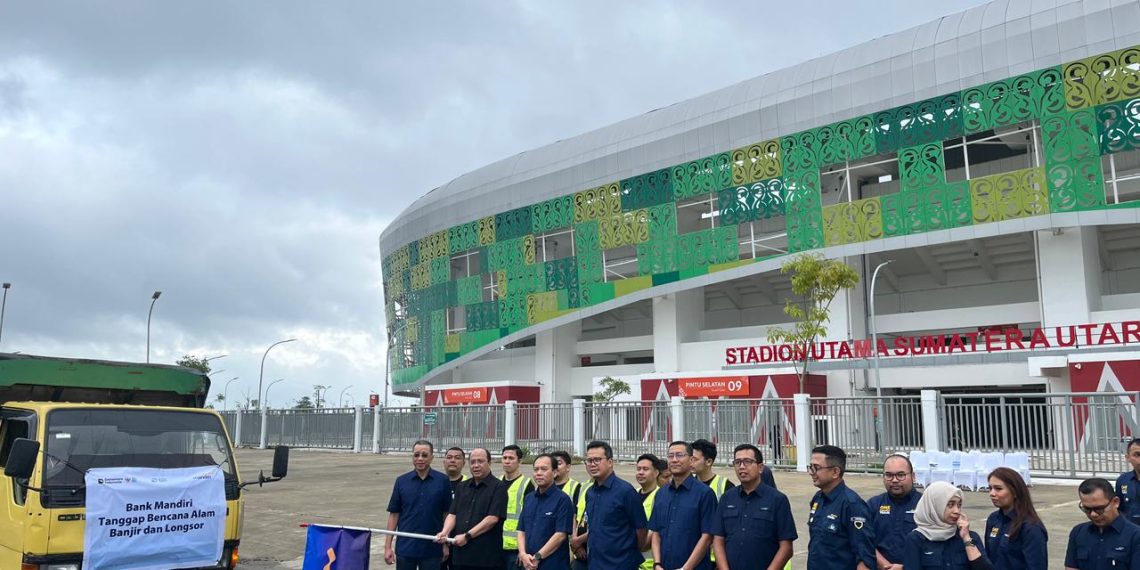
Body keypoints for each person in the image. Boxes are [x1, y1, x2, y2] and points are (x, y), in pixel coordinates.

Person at [712, 444, 796, 570]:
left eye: (747, 462)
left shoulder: (777, 500)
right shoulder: (727, 498)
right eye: (737, 462)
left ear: (760, 467)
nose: (741, 467)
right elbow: (718, 539)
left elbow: (786, 547)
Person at [386, 440, 453, 570]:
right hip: (405, 549)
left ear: (432, 457)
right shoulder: (401, 481)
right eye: (416, 455)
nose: (420, 459)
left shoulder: (443, 481)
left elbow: (447, 514)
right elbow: (394, 515)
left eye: (424, 455)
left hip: (432, 548)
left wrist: (445, 544)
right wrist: (387, 547)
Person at [436, 448, 508, 570]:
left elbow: (492, 518)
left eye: (480, 461)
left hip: (486, 558)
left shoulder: (499, 487)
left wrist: (467, 536)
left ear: (489, 463)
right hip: (460, 556)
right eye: (473, 462)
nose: (476, 465)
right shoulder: (462, 487)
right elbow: (453, 514)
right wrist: (445, 532)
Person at [806, 445, 876, 570]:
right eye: (810, 467)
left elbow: (864, 556)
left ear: (835, 472)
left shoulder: (852, 505)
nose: (811, 472)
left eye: (816, 468)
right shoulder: (818, 499)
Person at [650, 441, 717, 570]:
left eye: (680, 455)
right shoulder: (661, 493)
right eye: (670, 456)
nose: (674, 460)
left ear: (691, 460)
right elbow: (656, 533)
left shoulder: (705, 494)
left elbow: (707, 536)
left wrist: (685, 568)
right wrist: (657, 564)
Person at [582, 440, 648, 570]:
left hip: (621, 564)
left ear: (610, 462)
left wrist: (627, 551)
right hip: (595, 563)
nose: (592, 464)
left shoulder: (625, 491)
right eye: (589, 461)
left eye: (597, 460)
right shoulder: (590, 493)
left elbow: (641, 529)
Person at [901, 481, 991, 569]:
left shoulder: (970, 537)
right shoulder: (916, 539)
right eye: (950, 505)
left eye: (959, 505)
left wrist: (967, 539)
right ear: (934, 506)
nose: (956, 511)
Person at [1065, 477, 1140, 570]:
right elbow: (1071, 567)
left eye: (1099, 509)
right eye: (1087, 509)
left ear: (1116, 502)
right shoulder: (1078, 533)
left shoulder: (1135, 536)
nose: (1093, 514)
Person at [517, 454, 574, 570]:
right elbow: (521, 530)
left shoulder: (563, 500)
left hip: (552, 564)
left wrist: (537, 557)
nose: (538, 473)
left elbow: (560, 535)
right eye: (536, 469)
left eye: (544, 469)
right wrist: (523, 554)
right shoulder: (529, 498)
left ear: (554, 473)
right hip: (528, 564)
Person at [984, 467, 1047, 570]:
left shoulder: (1031, 527)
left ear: (1015, 492)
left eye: (998, 488)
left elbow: (1036, 566)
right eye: (990, 488)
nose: (992, 493)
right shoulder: (993, 519)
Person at [867, 453, 921, 570]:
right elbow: (864, 541)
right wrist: (885, 566)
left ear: (913, 476)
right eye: (889, 475)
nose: (894, 480)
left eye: (901, 475)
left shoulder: (925, 505)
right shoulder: (873, 505)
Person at [503, 445, 536, 570]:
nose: (507, 461)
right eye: (504, 458)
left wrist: (523, 550)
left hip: (516, 549)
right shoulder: (497, 482)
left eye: (511, 458)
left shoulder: (527, 484)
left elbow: (530, 518)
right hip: (497, 546)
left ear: (520, 461)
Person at [634, 454, 663, 570]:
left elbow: (656, 529)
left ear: (656, 473)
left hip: (650, 564)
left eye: (645, 469)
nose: (640, 472)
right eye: (638, 469)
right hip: (632, 561)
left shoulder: (662, 496)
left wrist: (639, 545)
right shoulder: (633, 493)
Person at [1115, 438, 1140, 526]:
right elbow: (1118, 508)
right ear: (1128, 457)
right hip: (1130, 533)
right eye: (1137, 455)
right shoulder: (1123, 481)